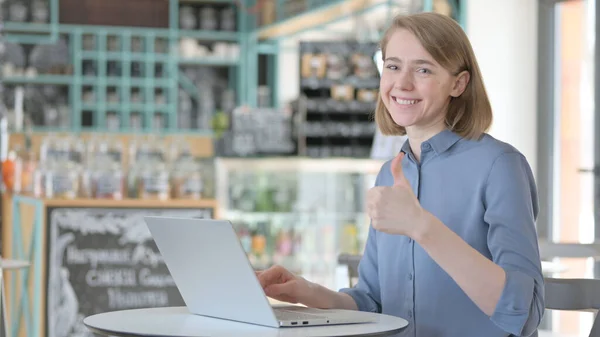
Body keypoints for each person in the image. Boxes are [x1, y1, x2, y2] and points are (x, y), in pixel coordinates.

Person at [256, 11, 544, 337]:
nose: (402, 83)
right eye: (393, 66)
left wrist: (422, 226)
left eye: (423, 69)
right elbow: (374, 303)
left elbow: (524, 313)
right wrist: (306, 293)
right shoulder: (389, 173)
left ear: (459, 83)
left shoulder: (500, 166)